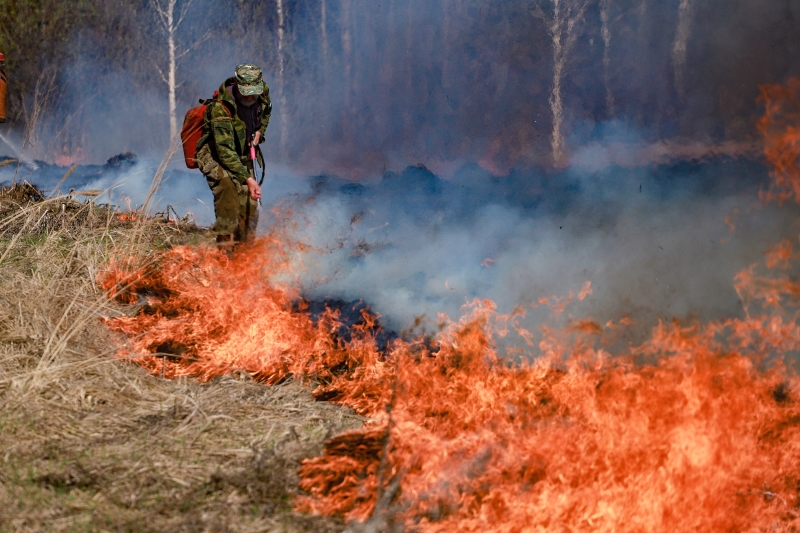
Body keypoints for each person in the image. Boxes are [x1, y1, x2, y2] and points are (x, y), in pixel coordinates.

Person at [196, 64, 271, 244]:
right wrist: (248, 178)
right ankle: (224, 251)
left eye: (254, 91)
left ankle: (244, 251)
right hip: (215, 155)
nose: (251, 96)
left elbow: (266, 112)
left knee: (250, 206)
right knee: (229, 195)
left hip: (243, 152)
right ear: (237, 85)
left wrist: (260, 130)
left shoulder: (262, 94)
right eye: (247, 92)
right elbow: (225, 152)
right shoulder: (220, 108)